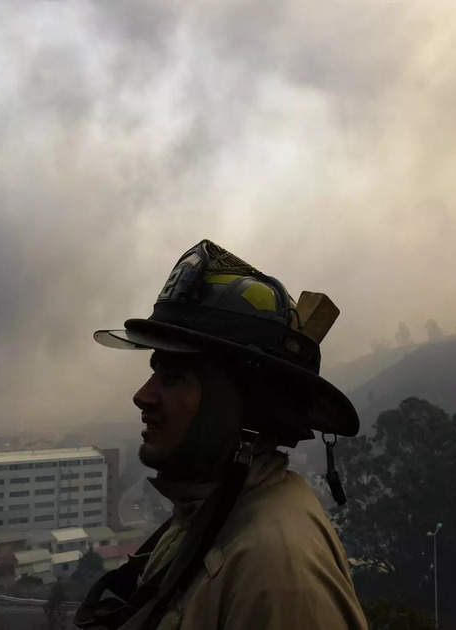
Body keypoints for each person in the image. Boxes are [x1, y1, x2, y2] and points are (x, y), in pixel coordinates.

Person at [76, 239, 368, 630]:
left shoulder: (277, 572)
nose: (143, 396)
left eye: (174, 377)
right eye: (154, 371)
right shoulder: (209, 517)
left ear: (244, 409)